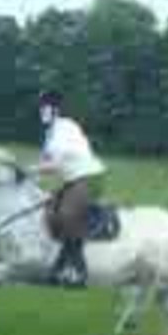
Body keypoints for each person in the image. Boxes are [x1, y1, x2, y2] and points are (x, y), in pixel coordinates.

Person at [29, 90, 108, 287]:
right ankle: (61, 261)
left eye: (45, 108)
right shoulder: (52, 133)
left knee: (66, 214)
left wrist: (30, 170)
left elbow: (55, 164)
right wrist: (32, 175)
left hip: (89, 178)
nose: (42, 113)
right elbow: (46, 162)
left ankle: (79, 269)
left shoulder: (65, 129)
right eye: (41, 109)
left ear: (54, 110)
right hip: (73, 180)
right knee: (49, 210)